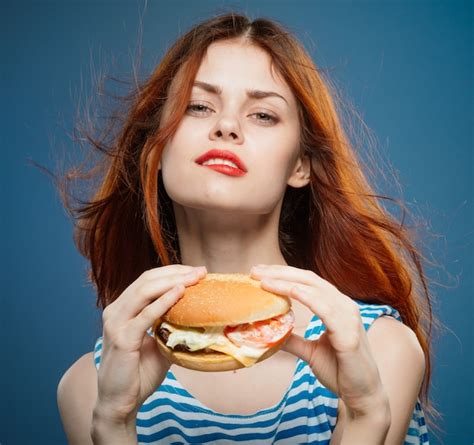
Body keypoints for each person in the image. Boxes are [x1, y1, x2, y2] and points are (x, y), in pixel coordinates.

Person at [56, 12, 436, 444]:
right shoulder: (90, 388)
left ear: (301, 165)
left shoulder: (378, 349)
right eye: (198, 106)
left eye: (263, 115)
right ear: (154, 151)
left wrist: (367, 414)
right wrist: (114, 422)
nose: (226, 126)